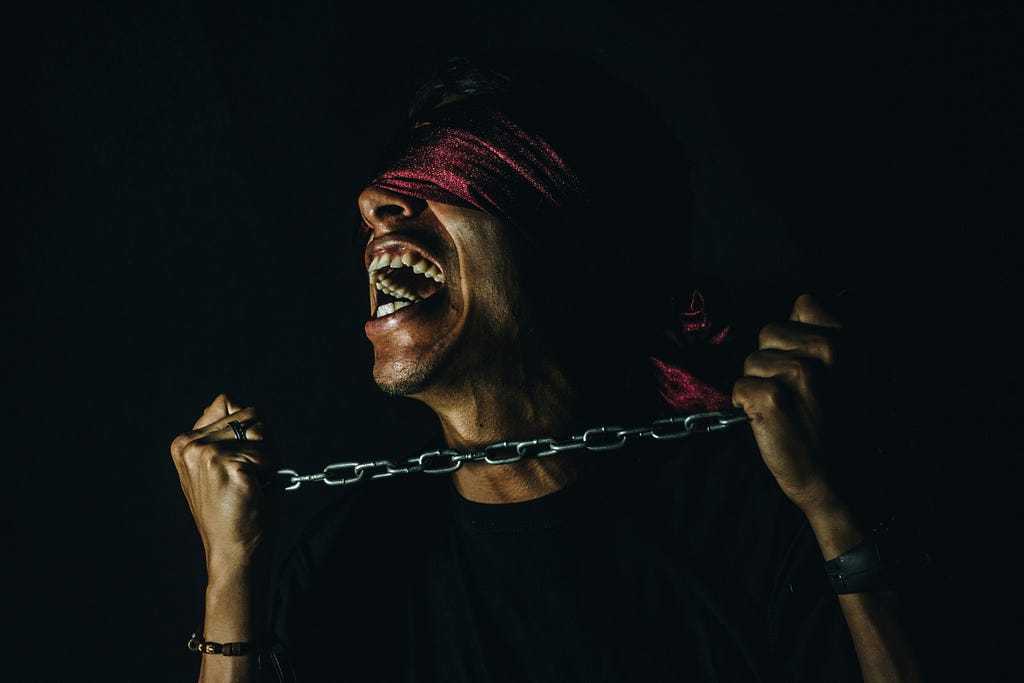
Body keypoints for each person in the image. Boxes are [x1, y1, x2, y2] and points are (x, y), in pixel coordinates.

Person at [170, 50, 929, 682]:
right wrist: (233, 578)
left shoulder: (756, 517)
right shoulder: (347, 565)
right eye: (390, 183)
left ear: (571, 242)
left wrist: (839, 514)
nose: (377, 203)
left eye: (445, 172)